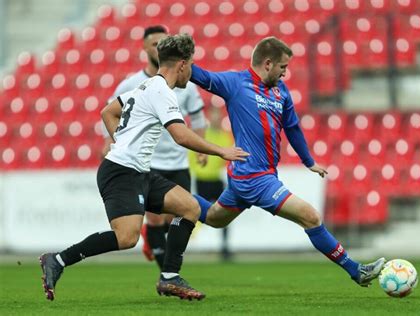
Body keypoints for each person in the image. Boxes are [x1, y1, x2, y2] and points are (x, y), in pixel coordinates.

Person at [39, 34, 249, 301]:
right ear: (183, 65)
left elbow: (107, 112)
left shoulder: (146, 86)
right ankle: (57, 259)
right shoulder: (163, 92)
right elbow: (181, 135)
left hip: (138, 171)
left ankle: (169, 277)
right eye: (192, 66)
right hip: (120, 172)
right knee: (127, 238)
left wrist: (122, 140)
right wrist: (222, 150)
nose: (192, 73)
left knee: (190, 207)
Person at [190, 36, 385, 286]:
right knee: (311, 217)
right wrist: (177, 57)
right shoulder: (236, 83)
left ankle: (172, 199)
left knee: (215, 218)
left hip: (261, 175)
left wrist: (308, 161)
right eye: (283, 67)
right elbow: (202, 76)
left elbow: (292, 127)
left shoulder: (281, 92)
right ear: (268, 63)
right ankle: (356, 270)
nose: (285, 73)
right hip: (253, 177)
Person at [102, 25, 208, 271]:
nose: (157, 46)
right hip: (150, 162)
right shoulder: (133, 84)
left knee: (178, 217)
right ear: (146, 48)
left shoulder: (186, 85)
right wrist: (114, 140)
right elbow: (111, 112)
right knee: (157, 216)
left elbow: (198, 117)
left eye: (162, 42)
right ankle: (168, 274)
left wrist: (201, 149)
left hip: (178, 161)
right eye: (154, 43)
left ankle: (159, 252)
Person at [189, 106, 233, 260]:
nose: (217, 119)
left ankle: (225, 247)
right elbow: (192, 154)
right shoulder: (203, 135)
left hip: (216, 180)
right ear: (209, 117)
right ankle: (188, 243)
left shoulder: (225, 137)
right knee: (193, 213)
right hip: (202, 180)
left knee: (226, 212)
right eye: (214, 115)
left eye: (218, 116)